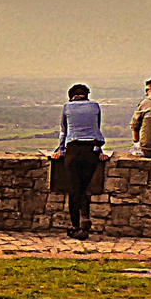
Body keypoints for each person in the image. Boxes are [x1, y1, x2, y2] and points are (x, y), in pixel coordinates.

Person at [50, 83, 109, 240]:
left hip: (73, 150)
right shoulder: (95, 106)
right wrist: (100, 151)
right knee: (84, 187)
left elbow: (64, 131)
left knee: (74, 189)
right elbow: (96, 129)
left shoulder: (67, 107)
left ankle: (76, 225)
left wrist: (60, 150)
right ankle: (85, 217)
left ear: (71, 96)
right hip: (91, 150)